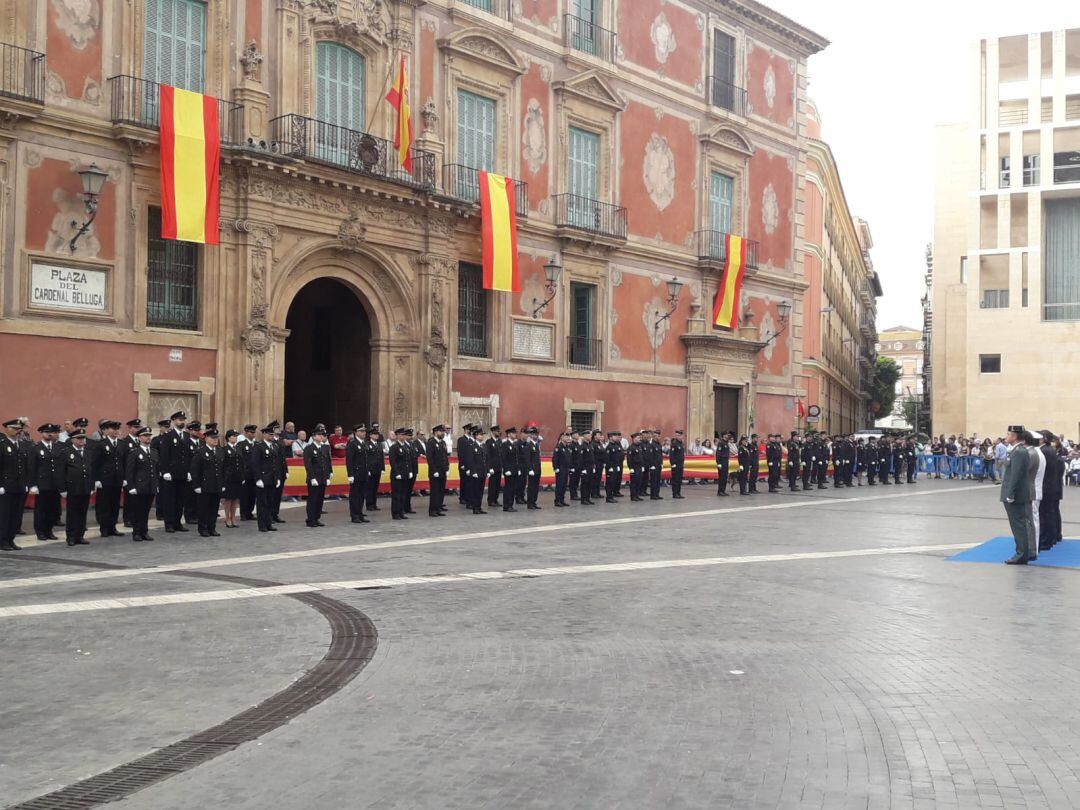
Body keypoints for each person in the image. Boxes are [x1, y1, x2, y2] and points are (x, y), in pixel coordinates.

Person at [1001, 426, 1034, 564]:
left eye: (1008, 434)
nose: (1006, 436)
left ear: (1014, 436)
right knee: (1018, 525)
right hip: (1016, 494)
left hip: (1016, 495)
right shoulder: (1017, 451)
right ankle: (1021, 552)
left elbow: (1016, 475)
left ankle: (1021, 554)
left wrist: (1010, 494)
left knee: (1018, 526)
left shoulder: (1019, 452)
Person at [90, 419, 125, 538]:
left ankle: (112, 527)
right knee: (104, 504)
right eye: (113, 429)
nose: (116, 431)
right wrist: (96, 479)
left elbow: (124, 462)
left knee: (115, 504)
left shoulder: (121, 444)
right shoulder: (101, 444)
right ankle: (104, 528)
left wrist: (124, 477)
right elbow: (95, 463)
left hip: (117, 479)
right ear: (106, 430)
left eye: (117, 429)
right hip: (105, 479)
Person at [157, 411, 190, 533]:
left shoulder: (186, 436)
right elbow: (164, 455)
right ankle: (169, 523)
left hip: (182, 473)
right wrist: (165, 471)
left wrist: (188, 471)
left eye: (183, 420)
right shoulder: (168, 436)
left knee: (180, 500)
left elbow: (187, 456)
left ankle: (178, 522)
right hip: (170, 474)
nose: (182, 422)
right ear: (174, 421)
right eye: (180, 420)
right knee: (170, 500)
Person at [28, 423, 62, 542]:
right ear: (41, 434)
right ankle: (40, 531)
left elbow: (60, 467)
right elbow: (32, 467)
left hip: (54, 484)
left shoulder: (57, 448)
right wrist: (32, 484)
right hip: (42, 484)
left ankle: (49, 530)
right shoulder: (36, 448)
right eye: (46, 432)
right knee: (41, 510)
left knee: (52, 509)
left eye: (51, 432)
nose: (49, 434)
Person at [124, 426, 159, 542]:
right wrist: (131, 486)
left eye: (149, 436)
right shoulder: (134, 452)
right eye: (145, 436)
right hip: (139, 486)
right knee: (137, 511)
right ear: (139, 438)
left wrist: (156, 485)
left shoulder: (154, 452)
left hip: (151, 486)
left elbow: (155, 469)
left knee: (146, 511)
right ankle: (137, 532)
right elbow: (130, 471)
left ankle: (145, 532)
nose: (148, 438)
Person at [59, 430, 92, 546]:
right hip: (72, 487)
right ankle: (71, 536)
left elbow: (90, 470)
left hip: (85, 487)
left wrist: (91, 486)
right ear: (73, 440)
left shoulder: (88, 452)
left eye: (83, 438)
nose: (82, 440)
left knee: (83, 512)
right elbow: (61, 472)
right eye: (79, 438)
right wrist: (62, 489)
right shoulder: (66, 452)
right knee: (72, 513)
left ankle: (80, 535)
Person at [190, 429, 225, 537]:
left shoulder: (219, 451)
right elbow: (195, 470)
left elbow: (222, 469)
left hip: (217, 484)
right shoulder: (200, 451)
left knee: (214, 509)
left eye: (216, 438)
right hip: (205, 485)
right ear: (206, 439)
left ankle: (212, 528)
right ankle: (203, 528)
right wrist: (196, 485)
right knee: (203, 508)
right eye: (213, 438)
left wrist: (223, 484)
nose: (215, 440)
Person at [0, 418, 27, 551]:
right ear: (7, 429)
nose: (18, 432)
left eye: (19, 429)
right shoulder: (2, 444)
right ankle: (2, 540)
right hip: (6, 486)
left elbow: (25, 466)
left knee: (16, 515)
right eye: (15, 429)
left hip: (20, 486)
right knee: (5, 514)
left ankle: (10, 539)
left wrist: (26, 483)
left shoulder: (21, 445)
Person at [249, 425, 279, 533]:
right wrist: (258, 479)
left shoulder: (274, 446)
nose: (272, 436)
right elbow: (255, 464)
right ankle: (262, 525)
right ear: (264, 434)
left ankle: (268, 523)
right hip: (263, 479)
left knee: (270, 502)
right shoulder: (259, 446)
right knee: (262, 503)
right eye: (270, 434)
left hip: (272, 479)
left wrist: (277, 477)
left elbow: (276, 463)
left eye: (273, 434)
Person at [303, 426, 332, 528]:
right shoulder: (309, 448)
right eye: (319, 435)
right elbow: (308, 465)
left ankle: (317, 518)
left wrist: (328, 476)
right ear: (314, 436)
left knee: (320, 499)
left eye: (322, 435)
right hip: (314, 478)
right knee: (313, 499)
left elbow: (327, 463)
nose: (321, 437)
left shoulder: (324, 448)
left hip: (323, 477)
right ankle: (310, 519)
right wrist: (312, 478)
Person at [345, 424, 371, 524]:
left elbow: (366, 459)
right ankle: (354, 515)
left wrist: (367, 470)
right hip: (356, 473)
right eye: (361, 431)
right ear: (356, 432)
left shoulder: (364, 443)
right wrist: (350, 474)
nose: (364, 433)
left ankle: (360, 513)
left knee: (361, 495)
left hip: (363, 473)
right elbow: (349, 461)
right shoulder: (352, 444)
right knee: (355, 495)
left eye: (364, 431)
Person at [221, 430, 245, 529]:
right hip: (228, 478)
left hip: (237, 477)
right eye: (233, 436)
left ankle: (233, 517)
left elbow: (242, 463)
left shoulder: (238, 448)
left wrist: (243, 476)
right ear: (228, 438)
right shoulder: (224, 449)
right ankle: (227, 518)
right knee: (228, 499)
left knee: (235, 498)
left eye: (236, 436)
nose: (235, 438)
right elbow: (223, 465)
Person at [388, 428, 411, 520]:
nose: (404, 436)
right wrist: (397, 472)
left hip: (405, 473)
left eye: (405, 435)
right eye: (401, 435)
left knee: (403, 494)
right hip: (397, 474)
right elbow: (393, 461)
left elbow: (408, 461)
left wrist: (409, 471)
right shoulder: (394, 447)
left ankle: (401, 511)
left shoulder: (406, 446)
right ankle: (395, 513)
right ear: (397, 435)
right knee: (396, 495)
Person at [427, 425, 449, 517]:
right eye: (441, 431)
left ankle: (438, 508)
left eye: (443, 431)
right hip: (435, 471)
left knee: (441, 490)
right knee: (435, 491)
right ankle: (432, 510)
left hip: (443, 470)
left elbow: (445, 457)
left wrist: (447, 468)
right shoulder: (431, 442)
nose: (443, 433)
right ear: (435, 432)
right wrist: (434, 470)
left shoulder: (443, 442)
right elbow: (430, 458)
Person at [365, 428, 385, 512]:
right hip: (371, 469)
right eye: (374, 434)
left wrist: (382, 468)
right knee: (370, 487)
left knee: (375, 487)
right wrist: (367, 469)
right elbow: (366, 458)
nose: (376, 435)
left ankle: (374, 504)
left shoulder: (379, 444)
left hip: (377, 468)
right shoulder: (367, 444)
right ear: (370, 435)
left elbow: (381, 457)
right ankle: (369, 504)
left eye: (377, 434)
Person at [484, 426, 503, 508]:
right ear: (493, 432)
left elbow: (501, 455)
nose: (499, 433)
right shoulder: (489, 442)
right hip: (492, 468)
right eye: (497, 431)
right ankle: (491, 500)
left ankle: (495, 499)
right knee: (492, 484)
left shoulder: (499, 441)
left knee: (497, 485)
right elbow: (488, 456)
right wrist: (489, 467)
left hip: (499, 467)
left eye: (499, 431)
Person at [524, 427, 542, 509]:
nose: (536, 436)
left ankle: (534, 502)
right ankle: (530, 503)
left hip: (537, 469)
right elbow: (527, 459)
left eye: (536, 434)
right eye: (534, 434)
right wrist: (530, 469)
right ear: (531, 435)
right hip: (532, 470)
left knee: (536, 487)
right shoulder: (528, 445)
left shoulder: (536, 445)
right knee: (531, 487)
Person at [553, 432, 571, 507]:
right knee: (559, 485)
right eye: (566, 437)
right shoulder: (558, 447)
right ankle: (557, 501)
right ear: (562, 438)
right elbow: (555, 458)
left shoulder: (567, 447)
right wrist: (555, 467)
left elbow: (569, 458)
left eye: (568, 437)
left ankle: (562, 500)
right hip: (560, 469)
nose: (567, 438)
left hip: (566, 469)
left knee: (564, 485)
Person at [669, 430, 685, 498]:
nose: (677, 437)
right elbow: (671, 455)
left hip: (680, 464)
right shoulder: (674, 444)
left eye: (678, 435)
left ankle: (678, 493)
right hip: (675, 464)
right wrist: (673, 463)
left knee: (679, 479)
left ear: (681, 436)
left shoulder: (681, 443)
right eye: (676, 435)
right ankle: (675, 493)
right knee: (675, 479)